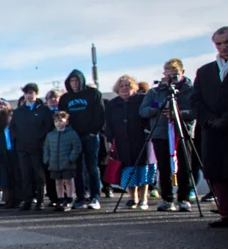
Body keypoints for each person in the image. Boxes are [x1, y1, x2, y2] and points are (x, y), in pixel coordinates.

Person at [191, 25, 228, 228]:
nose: (223, 47)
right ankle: (227, 214)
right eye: (219, 44)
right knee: (217, 172)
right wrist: (209, 119)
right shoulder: (205, 71)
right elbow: (196, 100)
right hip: (212, 130)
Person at [140, 59, 195, 211]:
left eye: (175, 75)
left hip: (182, 133)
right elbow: (143, 111)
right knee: (163, 167)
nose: (172, 79)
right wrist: (158, 107)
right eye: (169, 76)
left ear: (182, 73)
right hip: (161, 134)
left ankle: (184, 198)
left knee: (185, 166)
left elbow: (196, 111)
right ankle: (167, 198)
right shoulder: (155, 91)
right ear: (164, 75)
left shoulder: (191, 90)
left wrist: (178, 113)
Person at [58, 69, 105, 210]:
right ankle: (80, 197)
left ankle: (95, 197)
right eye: (72, 81)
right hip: (73, 137)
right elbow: (62, 117)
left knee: (92, 167)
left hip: (90, 136)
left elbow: (100, 114)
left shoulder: (93, 94)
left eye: (77, 80)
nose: (74, 83)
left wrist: (93, 131)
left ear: (82, 80)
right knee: (76, 169)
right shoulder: (65, 98)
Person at [105, 74, 153, 209]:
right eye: (122, 86)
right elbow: (108, 124)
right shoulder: (112, 104)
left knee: (143, 168)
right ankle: (132, 198)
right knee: (128, 169)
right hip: (121, 142)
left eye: (127, 85)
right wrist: (109, 140)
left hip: (140, 139)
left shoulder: (141, 100)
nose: (124, 88)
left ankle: (144, 199)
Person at [13, 83, 54, 210]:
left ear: (36, 94)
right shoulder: (19, 111)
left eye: (31, 93)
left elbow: (48, 127)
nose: (28, 96)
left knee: (39, 175)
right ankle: (27, 200)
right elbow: (13, 128)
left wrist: (38, 139)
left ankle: (40, 200)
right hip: (22, 148)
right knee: (25, 175)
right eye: (26, 93)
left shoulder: (43, 110)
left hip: (38, 147)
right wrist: (18, 140)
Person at [43, 111, 83, 210]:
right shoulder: (50, 135)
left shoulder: (72, 133)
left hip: (67, 162)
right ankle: (60, 199)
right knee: (58, 182)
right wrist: (47, 159)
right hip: (54, 163)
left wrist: (71, 158)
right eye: (56, 121)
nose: (58, 123)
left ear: (66, 121)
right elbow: (46, 148)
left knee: (68, 181)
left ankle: (69, 199)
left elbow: (77, 147)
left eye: (61, 121)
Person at [0, 105, 17, 207]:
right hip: (3, 157)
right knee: (5, 180)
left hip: (14, 155)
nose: (11, 118)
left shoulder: (15, 129)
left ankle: (17, 199)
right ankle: (8, 199)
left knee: (16, 177)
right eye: (9, 116)